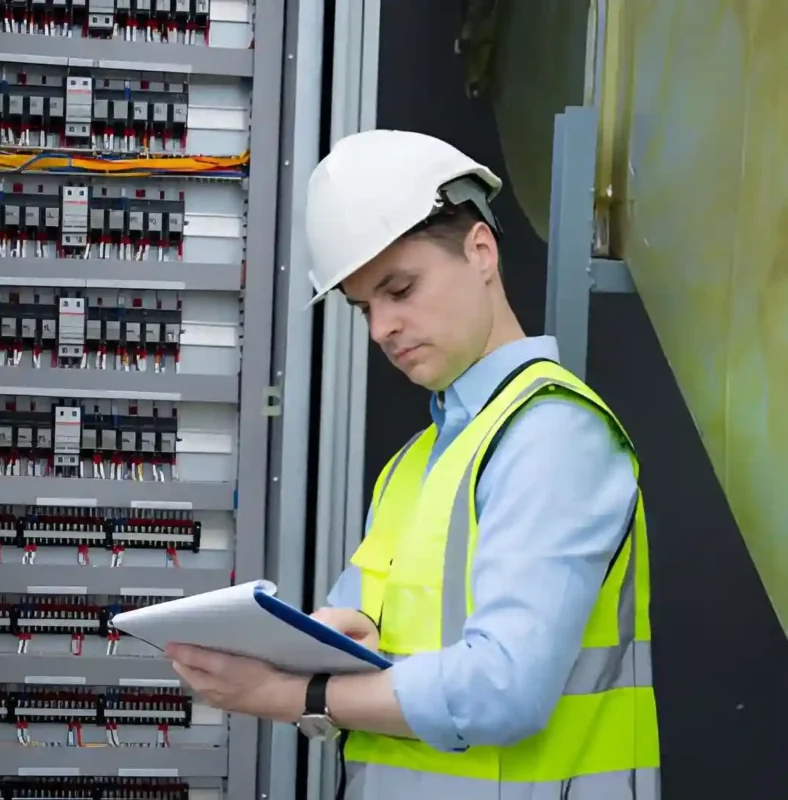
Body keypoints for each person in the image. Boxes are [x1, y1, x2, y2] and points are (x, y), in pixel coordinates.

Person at [164, 130, 660, 798]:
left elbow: (503, 690)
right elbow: (371, 646)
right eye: (365, 307)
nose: (381, 329)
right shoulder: (413, 466)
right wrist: (324, 642)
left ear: (480, 251)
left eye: (401, 289)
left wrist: (295, 692)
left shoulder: (554, 435)